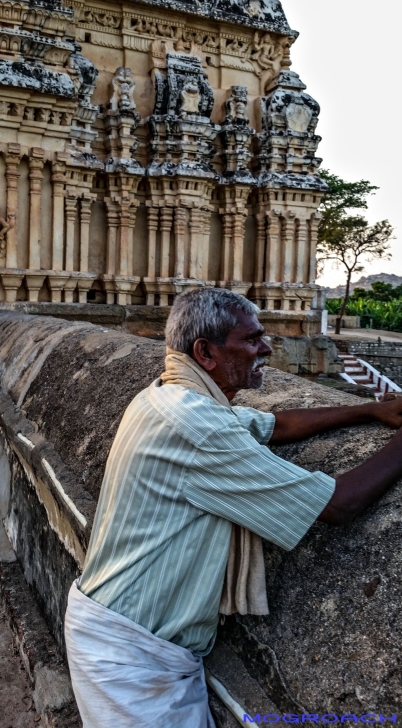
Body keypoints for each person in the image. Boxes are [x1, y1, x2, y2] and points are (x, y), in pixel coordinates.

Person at [65, 288, 402, 728]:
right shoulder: (198, 425)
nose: (265, 348)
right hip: (133, 659)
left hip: (117, 630)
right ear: (205, 352)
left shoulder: (169, 395)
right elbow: (340, 503)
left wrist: (369, 412)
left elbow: (275, 423)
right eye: (251, 340)